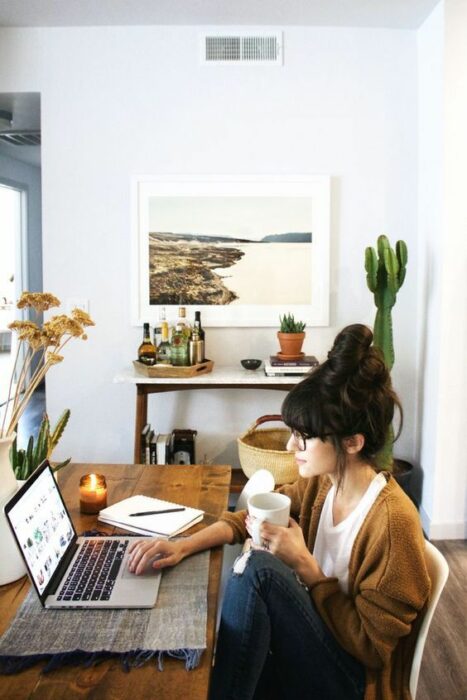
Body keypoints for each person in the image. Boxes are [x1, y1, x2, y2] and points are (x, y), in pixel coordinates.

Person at [128, 324, 430, 700]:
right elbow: (250, 516)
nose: (291, 445)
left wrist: (304, 564)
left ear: (352, 442)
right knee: (252, 574)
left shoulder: (392, 522)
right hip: (312, 645)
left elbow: (371, 648)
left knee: (259, 571)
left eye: (304, 436)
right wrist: (184, 545)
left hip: (351, 680)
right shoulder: (325, 481)